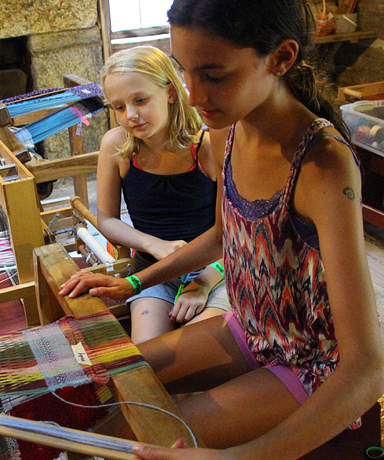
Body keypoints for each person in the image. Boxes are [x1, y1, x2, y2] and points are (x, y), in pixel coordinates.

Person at [59, 0, 384, 458]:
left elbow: (368, 367)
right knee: (100, 385)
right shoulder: (227, 130)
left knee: (127, 435)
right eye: (184, 71)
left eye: (212, 76)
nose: (192, 95)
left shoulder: (321, 164)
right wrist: (132, 281)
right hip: (251, 329)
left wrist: (235, 458)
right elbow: (220, 234)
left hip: (313, 362)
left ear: (281, 58)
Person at [61, 45, 230, 344]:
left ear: (170, 93)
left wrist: (204, 282)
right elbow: (107, 219)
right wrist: (156, 245)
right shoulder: (116, 145)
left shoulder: (207, 145)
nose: (132, 116)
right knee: (151, 359)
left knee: (193, 355)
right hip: (152, 270)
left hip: (218, 270)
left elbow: (233, 231)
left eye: (140, 100)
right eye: (120, 107)